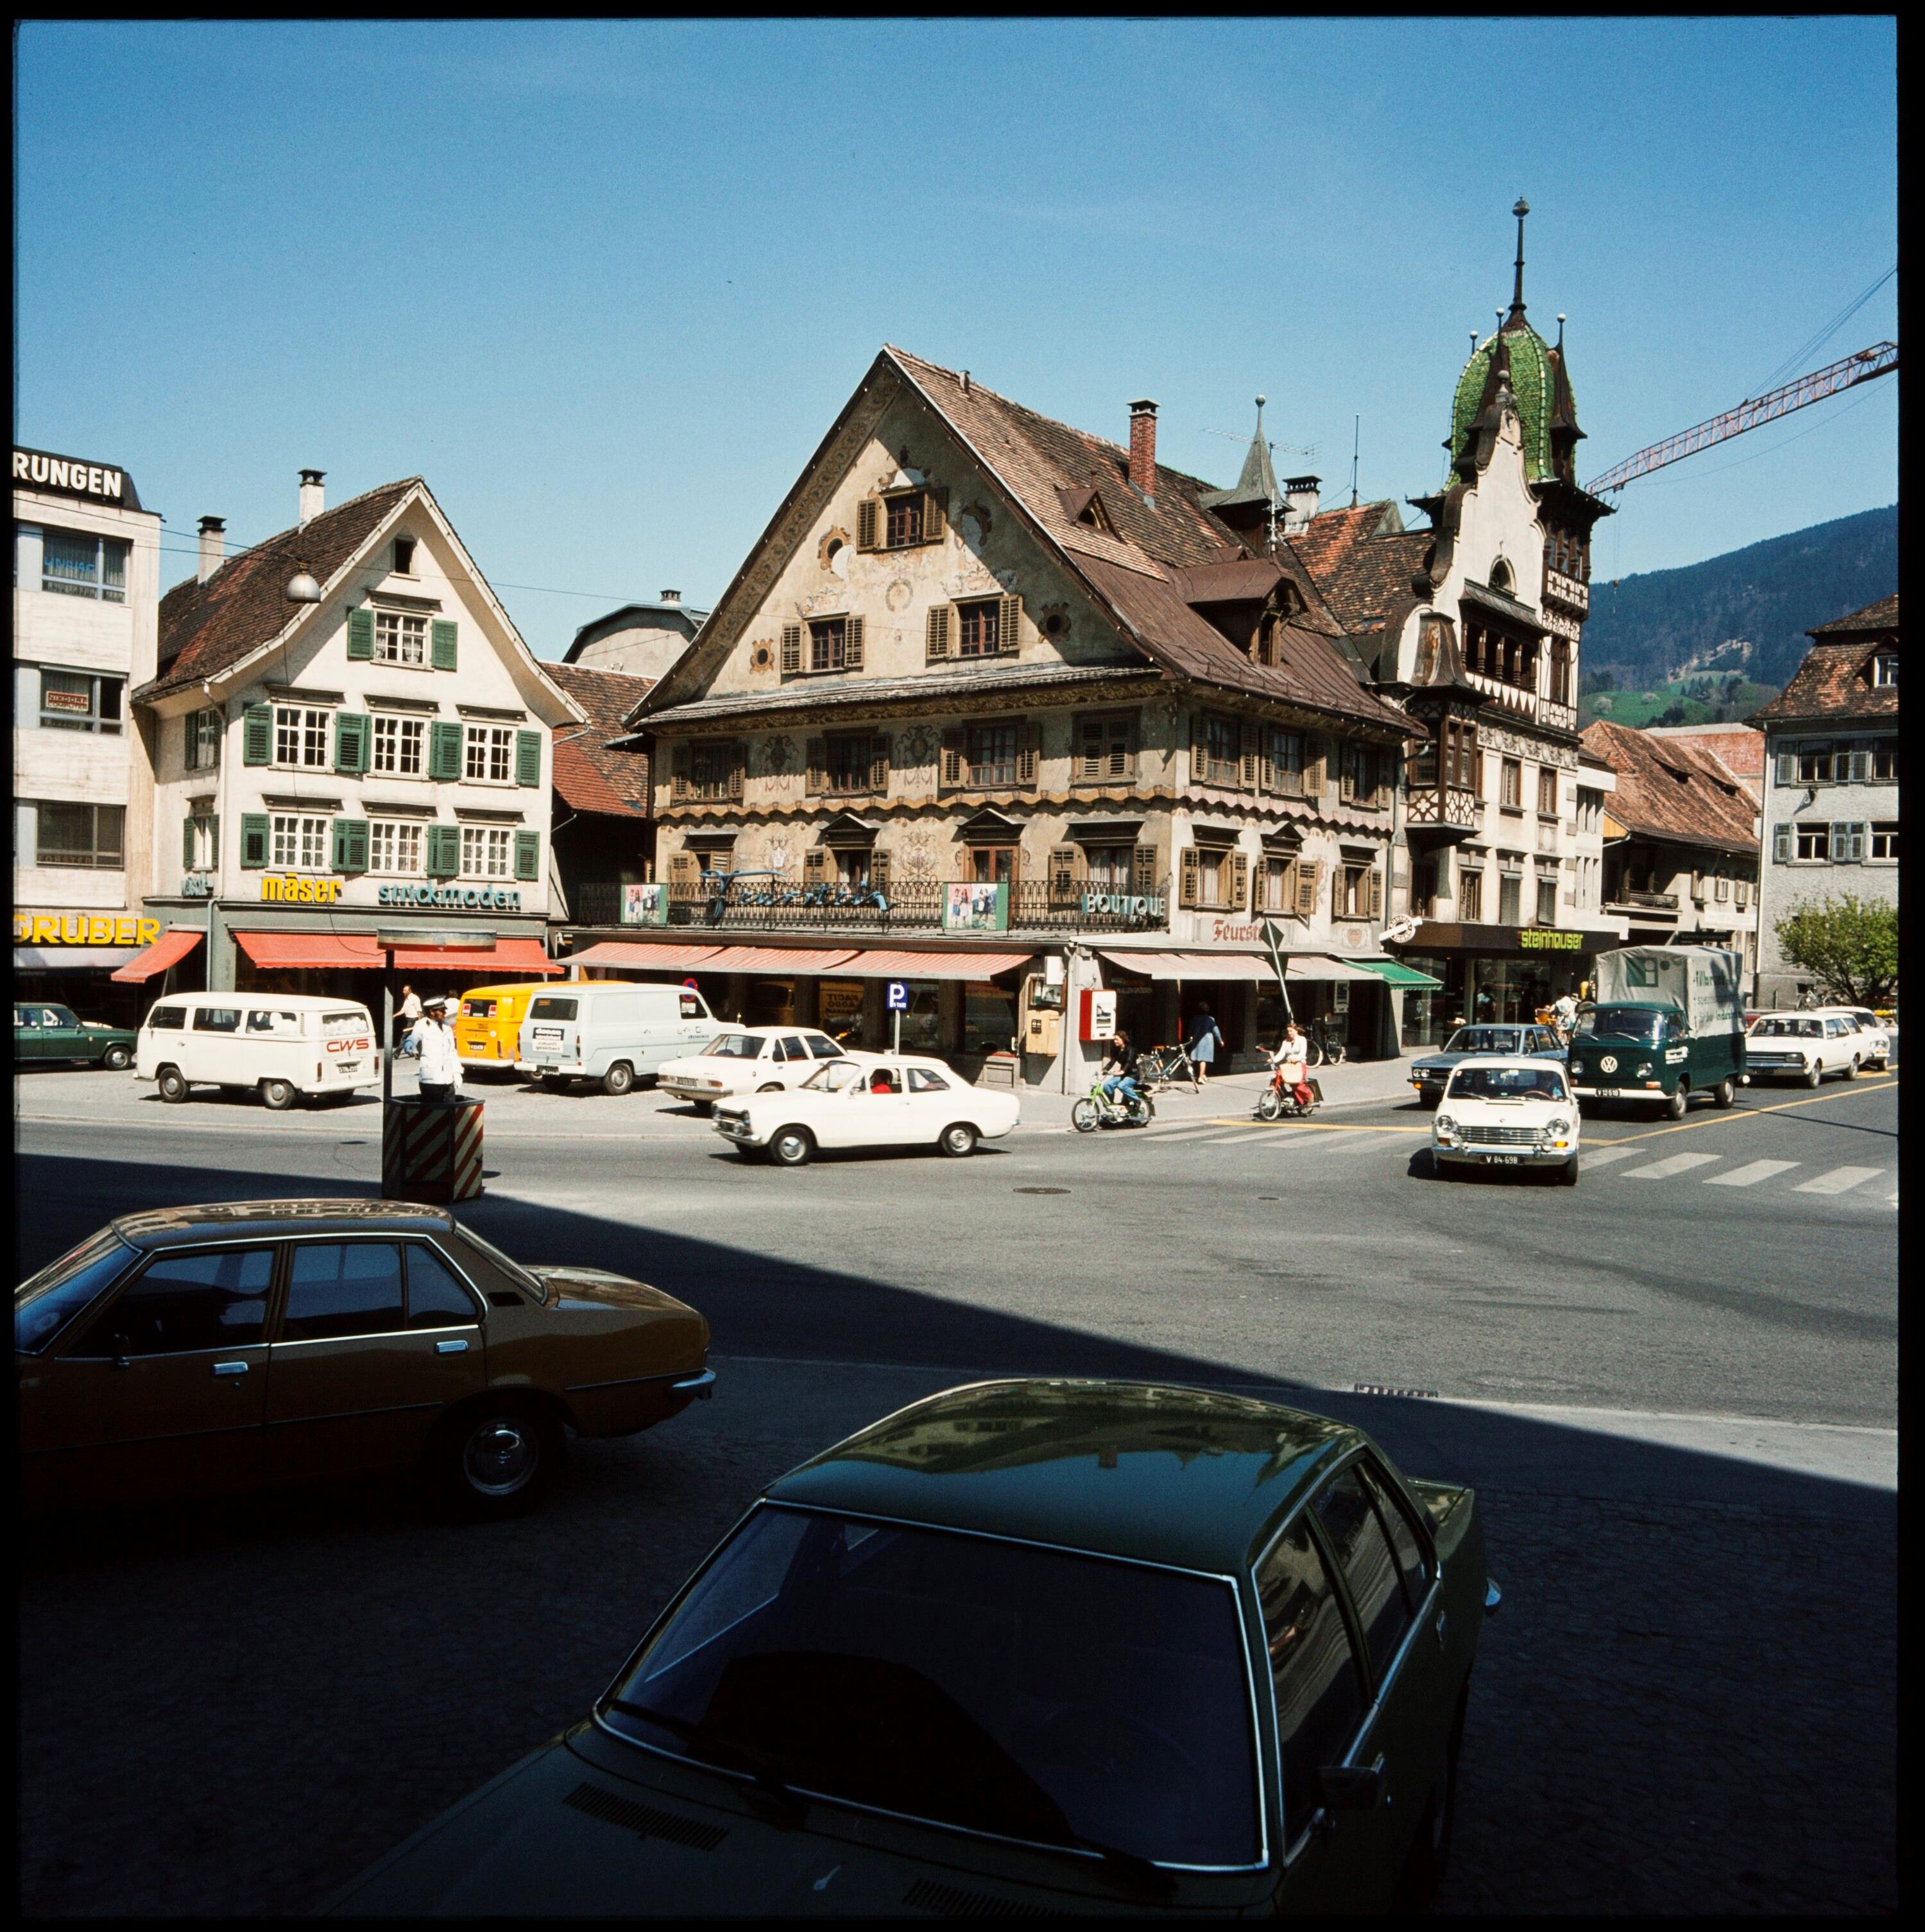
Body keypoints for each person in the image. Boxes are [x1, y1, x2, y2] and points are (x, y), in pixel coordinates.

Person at [413, 997, 464, 1105]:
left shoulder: (447, 1027)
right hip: (431, 1079)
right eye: (442, 1011)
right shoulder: (421, 1025)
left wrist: (457, 1072)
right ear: (432, 1012)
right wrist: (409, 1043)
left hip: (448, 1079)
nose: (444, 1013)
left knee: (450, 1113)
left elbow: (452, 1052)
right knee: (432, 1114)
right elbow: (414, 1038)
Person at [1270, 1024, 1313, 1109]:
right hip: (1289, 1065)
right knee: (1276, 1078)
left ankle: (1309, 1096)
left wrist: (1297, 1059)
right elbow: (1281, 1054)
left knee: (1297, 1085)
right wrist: (1273, 1060)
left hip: (1299, 1065)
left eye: (1291, 1031)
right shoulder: (1286, 1042)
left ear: (1296, 1031)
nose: (1289, 1033)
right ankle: (1279, 1097)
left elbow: (1303, 1053)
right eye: (1288, 1031)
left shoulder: (1302, 1040)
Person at [1099, 1030, 1143, 1111]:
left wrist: (1122, 1071)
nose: (1115, 1041)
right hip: (1123, 1074)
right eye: (1114, 1040)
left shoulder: (1131, 1050)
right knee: (1108, 1085)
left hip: (1132, 1075)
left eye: (1117, 1039)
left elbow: (1129, 1062)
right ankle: (1111, 1104)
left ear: (1123, 1040)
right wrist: (1105, 1070)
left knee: (1122, 1085)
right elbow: (1112, 1061)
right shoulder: (1117, 1050)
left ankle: (1137, 1101)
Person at [1188, 1003, 1225, 1086]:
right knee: (1203, 1059)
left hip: (1197, 1040)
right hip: (1207, 1041)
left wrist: (1189, 1039)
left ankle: (1202, 1074)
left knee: (1198, 1059)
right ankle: (1200, 1077)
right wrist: (1220, 1041)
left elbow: (1191, 1030)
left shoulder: (1195, 1019)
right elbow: (1216, 1031)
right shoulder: (1211, 1019)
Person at [395, 982, 423, 1053]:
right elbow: (403, 1010)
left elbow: (419, 1010)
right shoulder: (406, 999)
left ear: (410, 991)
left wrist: (419, 1022)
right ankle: (421, 1053)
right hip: (409, 1020)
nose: (403, 992)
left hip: (414, 1020)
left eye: (405, 990)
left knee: (404, 1036)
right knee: (417, 1036)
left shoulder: (415, 998)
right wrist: (395, 1015)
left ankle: (396, 1053)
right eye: (403, 990)